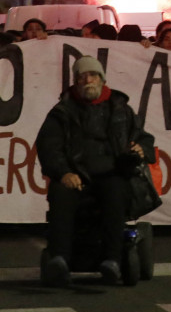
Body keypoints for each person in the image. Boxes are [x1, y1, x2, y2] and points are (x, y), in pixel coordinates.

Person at [35, 55, 155, 286]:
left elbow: (143, 138)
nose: (87, 80)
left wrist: (142, 148)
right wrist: (63, 173)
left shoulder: (121, 109)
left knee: (116, 192)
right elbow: (49, 147)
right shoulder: (62, 112)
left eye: (92, 75)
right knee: (61, 193)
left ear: (101, 78)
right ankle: (60, 259)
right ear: (76, 82)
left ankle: (111, 260)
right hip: (75, 174)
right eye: (81, 77)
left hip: (111, 172)